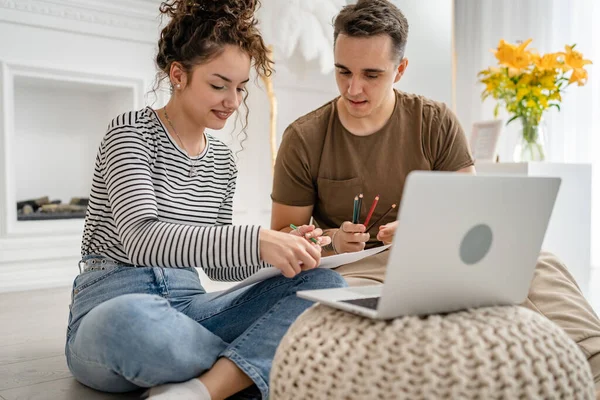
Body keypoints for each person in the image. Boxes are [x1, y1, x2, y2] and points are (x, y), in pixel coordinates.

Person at [270, 0, 600, 390]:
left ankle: (593, 366)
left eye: (371, 75)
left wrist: (426, 231)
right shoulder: (304, 137)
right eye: (343, 71)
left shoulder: (435, 121)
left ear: (400, 70)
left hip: (440, 257)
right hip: (357, 269)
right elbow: (284, 237)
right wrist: (332, 241)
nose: (352, 88)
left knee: (539, 263)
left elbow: (476, 212)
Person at [64, 1, 346, 399]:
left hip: (192, 310)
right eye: (219, 85)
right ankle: (254, 370)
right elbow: (142, 240)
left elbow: (220, 266)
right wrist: (258, 239)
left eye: (240, 87)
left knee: (325, 285)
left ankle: (202, 387)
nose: (232, 101)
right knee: (129, 321)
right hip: (115, 303)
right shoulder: (129, 132)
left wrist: (285, 250)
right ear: (178, 74)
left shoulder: (222, 161)